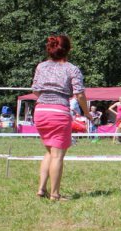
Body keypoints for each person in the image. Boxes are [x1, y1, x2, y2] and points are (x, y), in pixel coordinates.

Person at [31, 34, 92, 201]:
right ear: (68, 50)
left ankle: (41, 189)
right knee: (58, 155)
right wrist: (87, 113)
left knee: (49, 151)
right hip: (59, 113)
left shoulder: (41, 66)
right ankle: (55, 194)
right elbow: (79, 94)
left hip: (40, 111)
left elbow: (35, 90)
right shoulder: (72, 69)